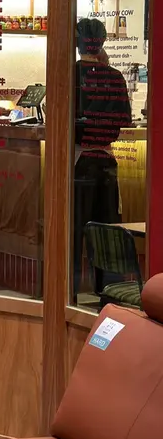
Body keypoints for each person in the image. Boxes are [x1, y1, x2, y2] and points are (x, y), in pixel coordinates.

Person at [73, 18, 132, 298]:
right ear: (102, 42)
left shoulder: (69, 74)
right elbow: (124, 120)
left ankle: (69, 292)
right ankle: (109, 293)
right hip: (106, 161)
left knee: (74, 230)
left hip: (77, 162)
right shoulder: (115, 77)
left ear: (77, 43)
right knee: (107, 230)